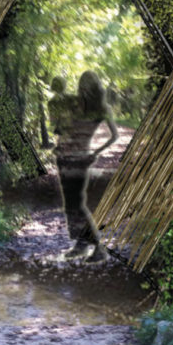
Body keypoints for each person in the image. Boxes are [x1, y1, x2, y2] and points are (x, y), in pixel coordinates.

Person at [52, 70, 118, 262]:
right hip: (71, 158)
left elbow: (60, 127)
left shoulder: (77, 104)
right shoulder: (101, 108)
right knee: (71, 204)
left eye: (83, 86)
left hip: (72, 158)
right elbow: (114, 136)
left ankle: (98, 247)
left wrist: (93, 153)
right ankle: (81, 245)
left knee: (76, 204)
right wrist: (94, 153)